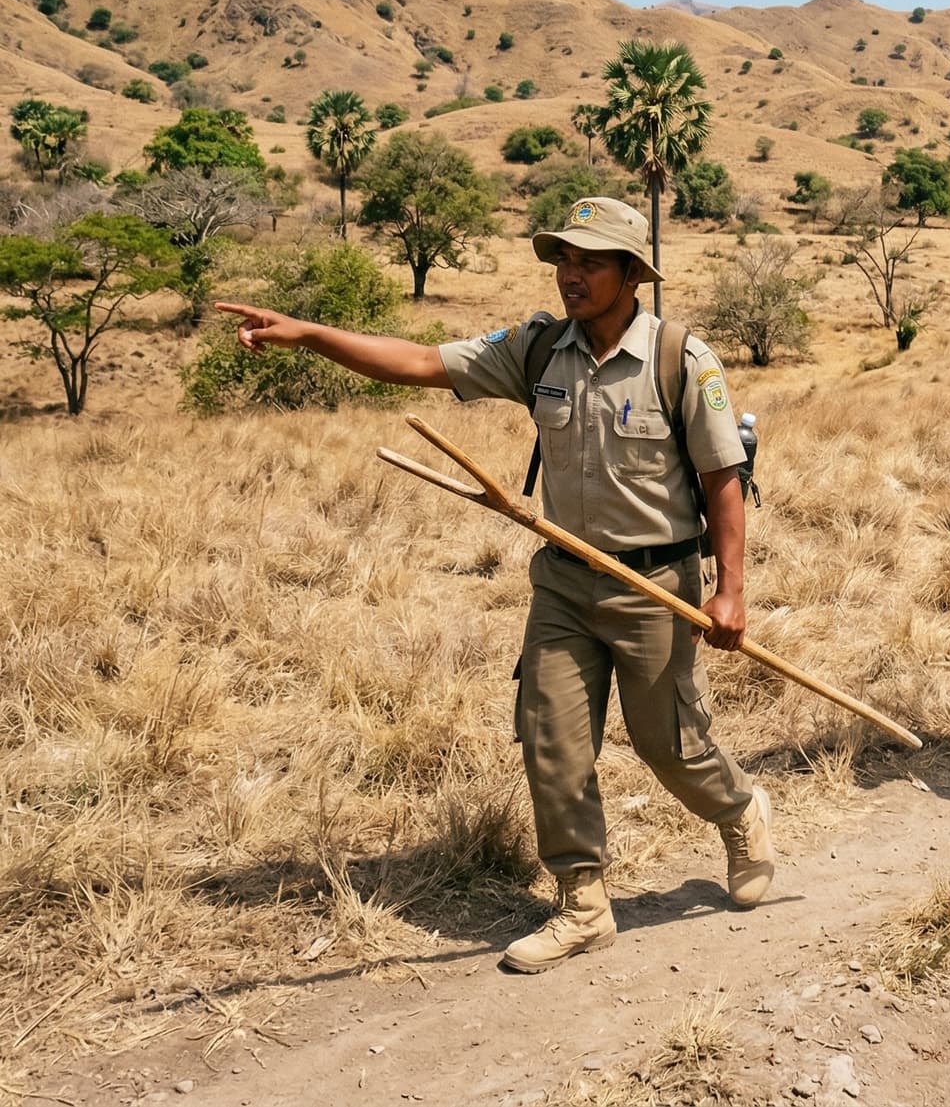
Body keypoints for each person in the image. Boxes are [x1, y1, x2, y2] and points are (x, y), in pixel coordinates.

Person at [214, 196, 774, 973]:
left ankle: (740, 811)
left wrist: (730, 591)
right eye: (561, 261)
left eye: (588, 263)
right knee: (550, 739)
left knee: (668, 744)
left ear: (630, 273)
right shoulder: (539, 348)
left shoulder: (682, 360)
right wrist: (310, 335)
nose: (569, 276)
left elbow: (723, 480)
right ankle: (584, 901)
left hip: (657, 586)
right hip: (563, 582)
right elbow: (419, 361)